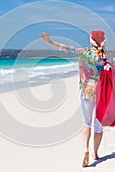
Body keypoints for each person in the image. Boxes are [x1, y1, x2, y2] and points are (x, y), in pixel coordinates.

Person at [40, 31, 110, 167]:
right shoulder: (105, 57)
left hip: (86, 93)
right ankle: (95, 153)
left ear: (91, 42)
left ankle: (85, 150)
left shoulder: (83, 53)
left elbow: (66, 48)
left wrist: (50, 42)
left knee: (86, 123)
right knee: (98, 125)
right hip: (101, 94)